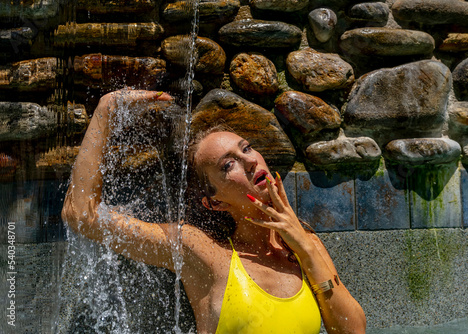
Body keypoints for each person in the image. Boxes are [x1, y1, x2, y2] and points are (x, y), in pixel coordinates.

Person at [62, 89, 366, 334]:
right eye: (227, 164)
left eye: (246, 148)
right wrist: (106, 110)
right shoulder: (203, 253)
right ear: (214, 202)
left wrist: (306, 250)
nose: (249, 161)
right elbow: (81, 215)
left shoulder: (306, 247)